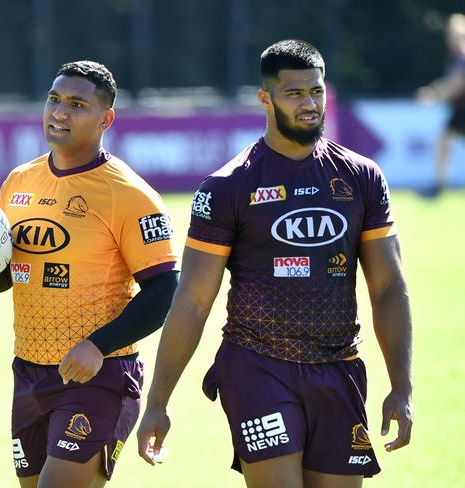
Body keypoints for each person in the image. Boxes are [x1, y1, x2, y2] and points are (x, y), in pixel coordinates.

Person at [137, 39, 413, 487]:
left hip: (338, 367)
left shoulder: (362, 177)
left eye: (317, 92)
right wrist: (158, 402)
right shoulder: (227, 186)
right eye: (295, 94)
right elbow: (192, 301)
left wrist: (402, 386)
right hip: (257, 365)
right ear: (265, 98)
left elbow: (388, 288)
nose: (309, 104)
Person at [0, 60, 179, 488]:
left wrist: (98, 345)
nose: (60, 112)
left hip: (98, 376)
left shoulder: (130, 194)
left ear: (106, 119)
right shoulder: (19, 181)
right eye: (54, 99)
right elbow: (7, 276)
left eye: (77, 104)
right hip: (30, 372)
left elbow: (164, 290)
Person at [416, 13, 465, 197]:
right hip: (461, 110)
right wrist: (434, 90)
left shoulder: (462, 54)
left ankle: (438, 186)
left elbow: (458, 83)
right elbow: (450, 81)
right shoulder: (456, 57)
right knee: (444, 139)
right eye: (450, 35)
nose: (451, 39)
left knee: (444, 140)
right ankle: (438, 185)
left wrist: (434, 95)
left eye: (455, 34)